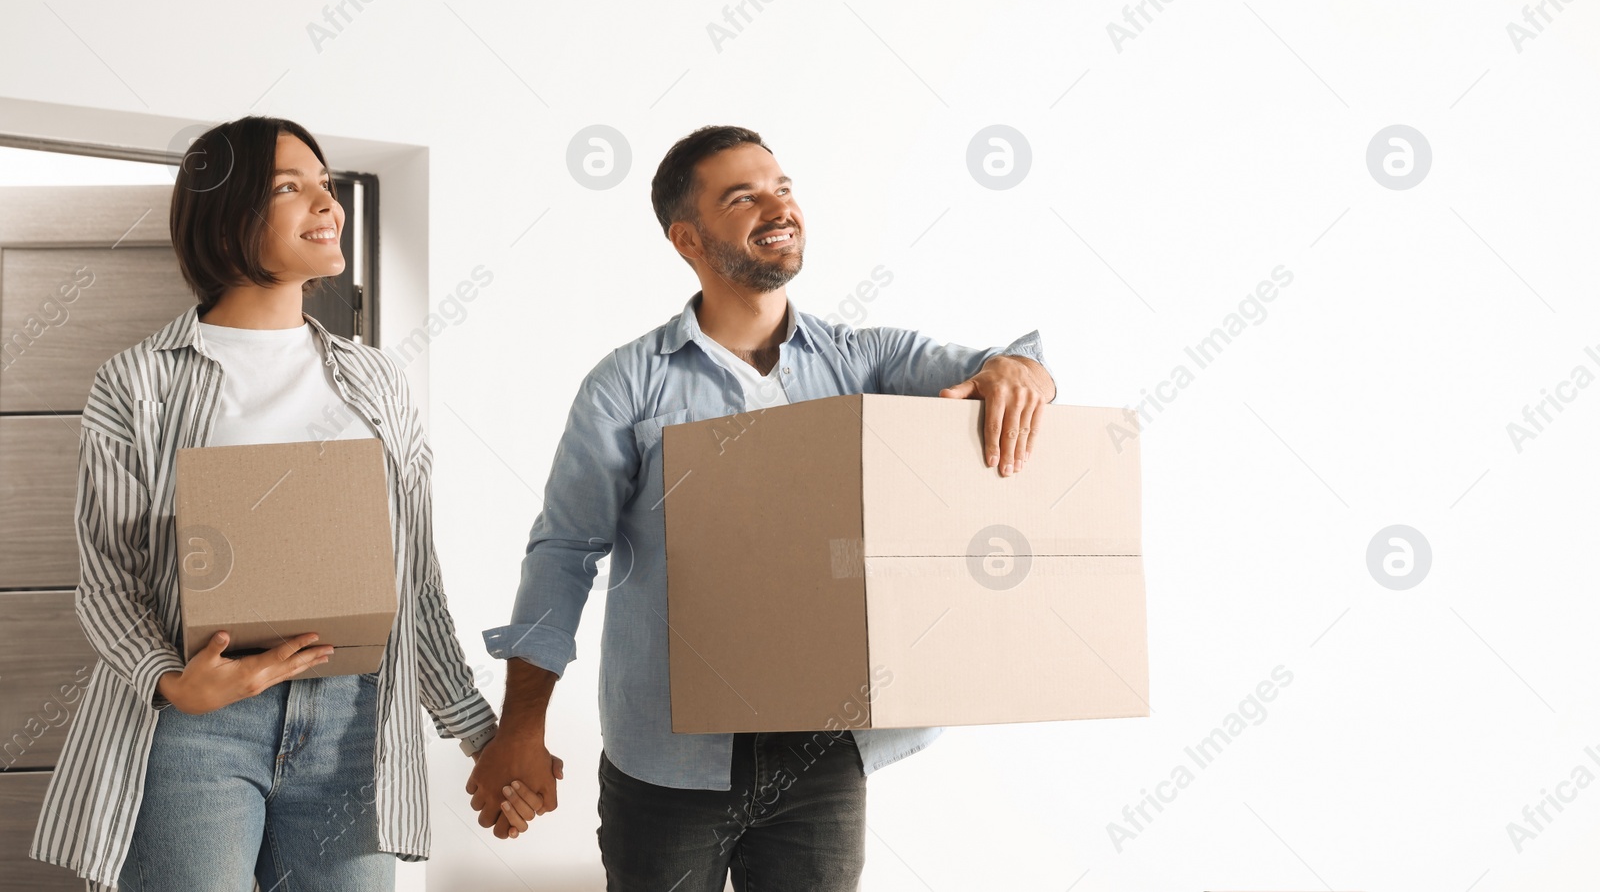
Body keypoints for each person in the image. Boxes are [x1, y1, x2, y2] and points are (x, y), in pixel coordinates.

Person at [466, 125, 1055, 890]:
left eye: (782, 187)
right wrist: (521, 725)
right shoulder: (627, 384)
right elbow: (564, 553)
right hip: (669, 758)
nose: (778, 207)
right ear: (688, 238)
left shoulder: (862, 360)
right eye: (742, 197)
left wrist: (1022, 370)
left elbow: (1001, 364)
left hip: (824, 753)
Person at [30, 116, 543, 891]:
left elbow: (414, 585)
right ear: (227, 214)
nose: (327, 204)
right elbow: (108, 583)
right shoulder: (138, 381)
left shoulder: (376, 381)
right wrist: (171, 682)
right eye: (289, 187)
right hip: (200, 723)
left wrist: (481, 734)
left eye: (327, 185)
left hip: (353, 724)